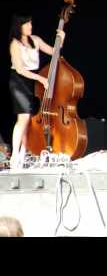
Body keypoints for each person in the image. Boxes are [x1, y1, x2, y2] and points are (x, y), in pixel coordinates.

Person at [8, 15, 65, 169]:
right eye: (27, 24)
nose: (30, 26)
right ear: (19, 26)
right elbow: (20, 69)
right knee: (23, 118)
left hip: (32, 81)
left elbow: (55, 53)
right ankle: (15, 155)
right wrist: (41, 79)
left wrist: (61, 39)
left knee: (30, 120)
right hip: (19, 81)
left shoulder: (36, 40)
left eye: (31, 24)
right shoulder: (15, 44)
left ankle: (23, 153)